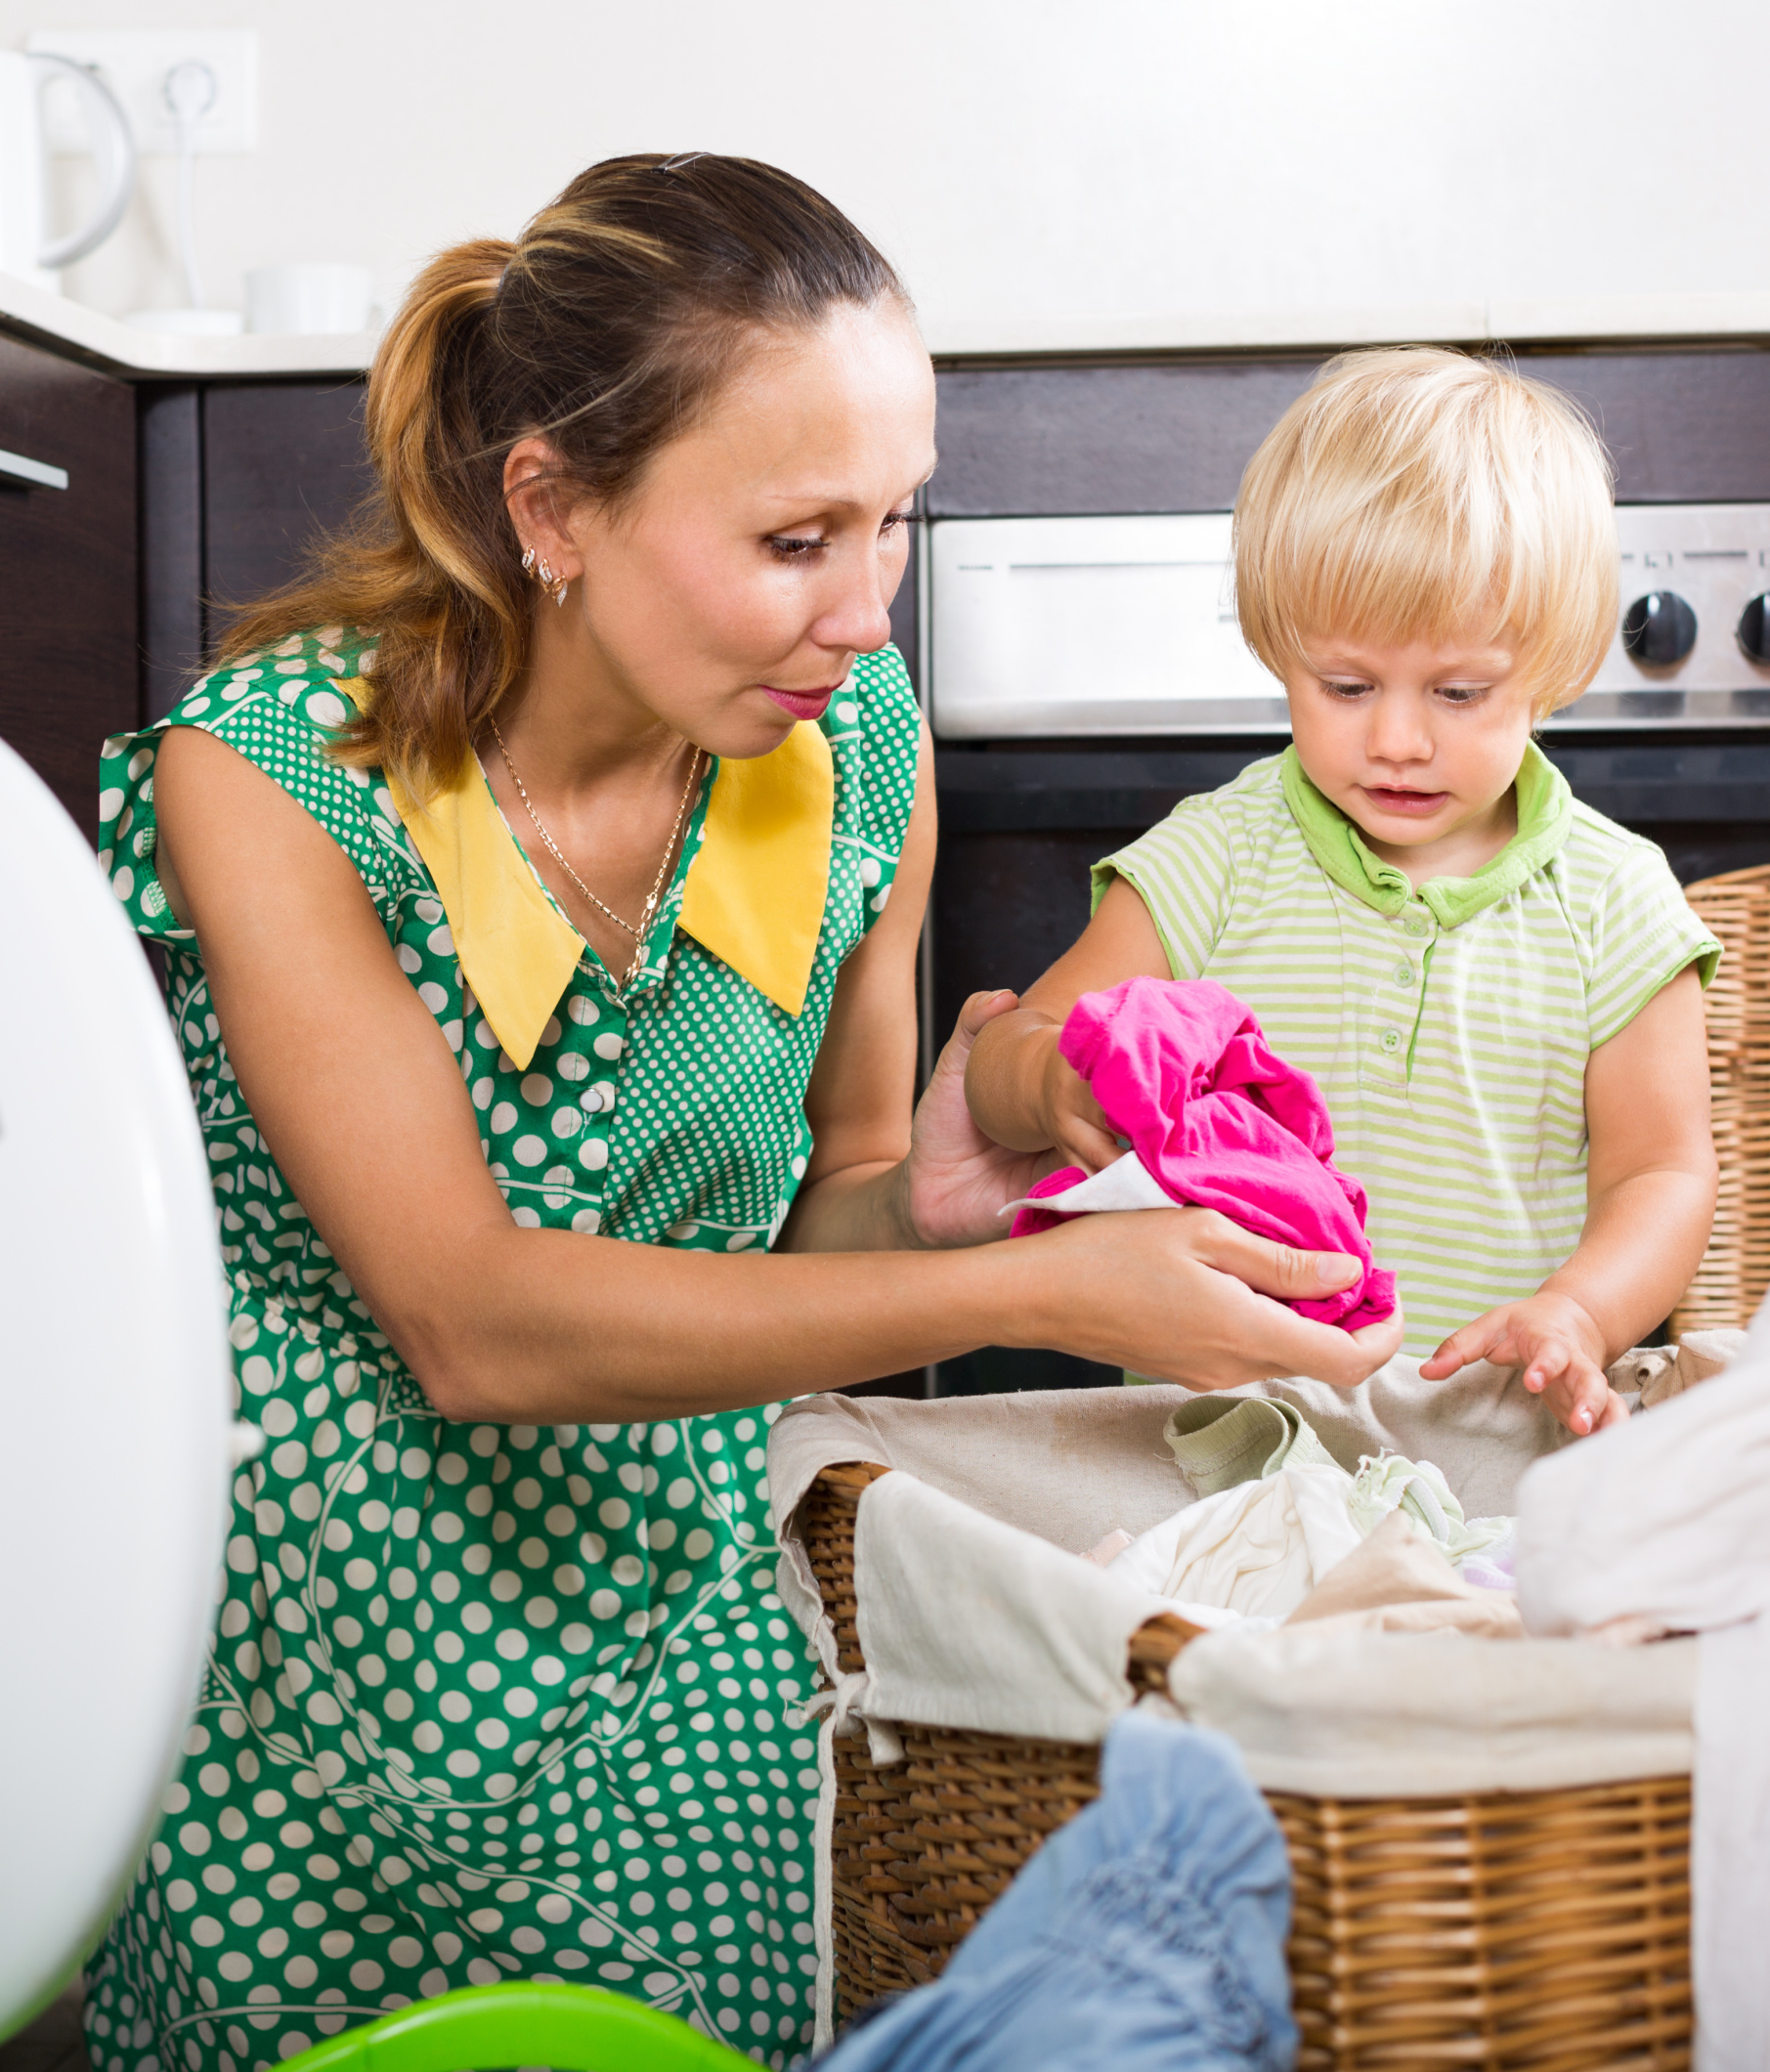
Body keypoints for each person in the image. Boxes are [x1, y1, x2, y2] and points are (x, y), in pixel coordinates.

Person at [79, 155, 1403, 2072]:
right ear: (552, 507)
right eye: (797, 540)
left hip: (672, 1634)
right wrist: (1046, 1299)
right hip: (309, 1675)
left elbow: (831, 1214)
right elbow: (469, 1315)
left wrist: (952, 1206)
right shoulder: (277, 773)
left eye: (893, 527)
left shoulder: (848, 753)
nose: (865, 613)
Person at [964, 347, 1722, 1439]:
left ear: (1554, 664)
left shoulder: (1616, 900)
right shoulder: (1216, 859)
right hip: (1221, 1438)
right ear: (1279, 648)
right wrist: (1049, 1081)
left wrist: (1581, 1310)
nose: (1399, 740)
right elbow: (1011, 1054)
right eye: (1347, 686)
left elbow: (1662, 1172)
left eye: (1460, 691)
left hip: (1498, 1440)